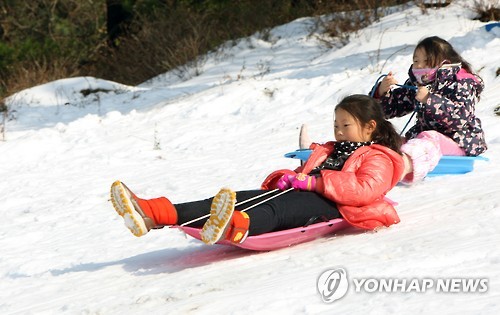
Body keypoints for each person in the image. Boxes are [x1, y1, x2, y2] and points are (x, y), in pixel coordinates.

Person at [110, 95, 405, 246]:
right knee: (236, 197)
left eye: (346, 126)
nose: (339, 132)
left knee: (278, 211)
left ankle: (236, 226)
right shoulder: (330, 149)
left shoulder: (378, 157)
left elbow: (365, 191)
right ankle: (153, 214)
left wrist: (313, 184)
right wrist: (290, 177)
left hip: (333, 205)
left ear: (369, 128)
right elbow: (305, 172)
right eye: (336, 125)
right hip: (307, 193)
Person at [372, 36, 487, 183]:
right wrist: (381, 92)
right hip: (424, 142)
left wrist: (430, 100)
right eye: (416, 61)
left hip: (458, 142)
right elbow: (390, 110)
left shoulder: (461, 82)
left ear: (445, 61)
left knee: (429, 137)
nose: (419, 66)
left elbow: (460, 118)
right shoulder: (419, 82)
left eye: (426, 61)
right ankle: (372, 164)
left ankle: (402, 167)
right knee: (388, 139)